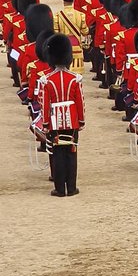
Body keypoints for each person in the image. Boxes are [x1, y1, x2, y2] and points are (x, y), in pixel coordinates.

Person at [43, 33, 85, 198]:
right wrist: (81, 120)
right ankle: (72, 187)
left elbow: (45, 104)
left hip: (54, 120)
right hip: (72, 119)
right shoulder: (75, 79)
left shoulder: (47, 80)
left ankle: (60, 189)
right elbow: (80, 101)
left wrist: (45, 124)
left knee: (57, 151)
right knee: (71, 151)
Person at [53, 0, 90, 73]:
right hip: (77, 45)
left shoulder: (58, 16)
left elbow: (56, 34)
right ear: (72, 1)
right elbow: (85, 32)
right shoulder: (80, 15)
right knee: (77, 73)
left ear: (64, 2)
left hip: (64, 46)